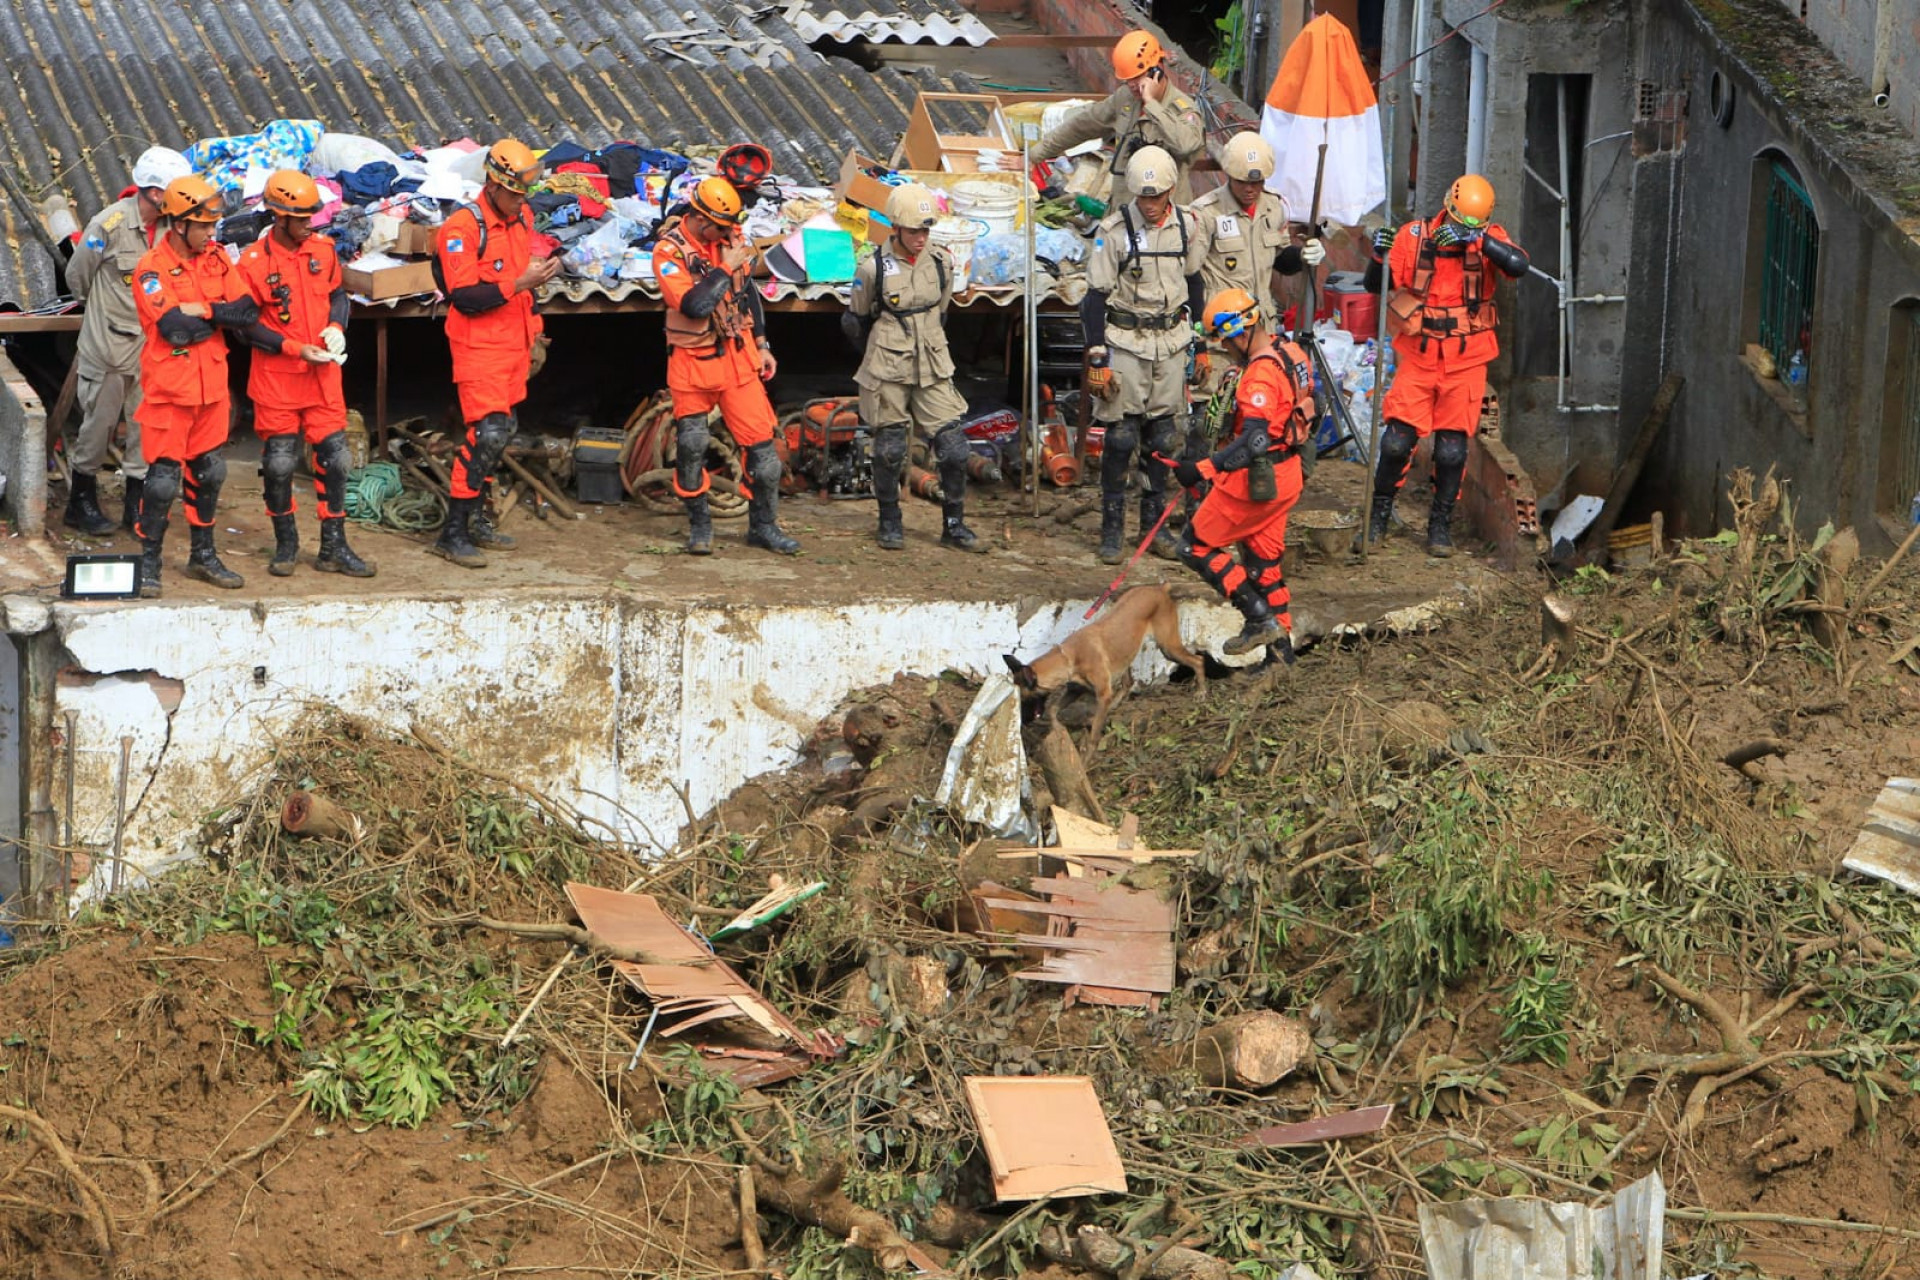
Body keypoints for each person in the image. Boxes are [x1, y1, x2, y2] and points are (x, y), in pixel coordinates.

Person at [1362, 174, 1529, 556]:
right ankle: (1379, 515)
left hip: (1466, 360)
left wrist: (1479, 240)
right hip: (1419, 356)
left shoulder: (1489, 239)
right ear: (1446, 211)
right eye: (1458, 224)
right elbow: (1377, 285)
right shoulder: (1415, 237)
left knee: (1452, 450)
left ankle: (1440, 525)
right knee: (1395, 443)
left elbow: (1519, 265)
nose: (1460, 231)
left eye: (1474, 225)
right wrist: (1377, 254)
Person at [235, 170, 373, 578]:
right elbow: (246, 329)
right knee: (279, 464)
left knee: (336, 459)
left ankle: (334, 546)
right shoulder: (254, 263)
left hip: (322, 380)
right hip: (277, 379)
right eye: (300, 219)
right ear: (278, 217)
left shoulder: (323, 251)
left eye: (311, 216)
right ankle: (286, 544)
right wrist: (295, 348)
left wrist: (335, 327)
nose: (308, 224)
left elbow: (337, 295)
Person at [129, 175, 262, 597]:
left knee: (210, 472)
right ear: (180, 224)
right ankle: (148, 561)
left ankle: (202, 555)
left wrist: (204, 309)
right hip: (171, 389)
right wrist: (215, 318)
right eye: (204, 225)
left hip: (212, 388)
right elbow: (173, 329)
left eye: (212, 225)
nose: (211, 232)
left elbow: (245, 312)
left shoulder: (218, 258)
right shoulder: (152, 268)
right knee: (163, 479)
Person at [429, 139, 558, 568]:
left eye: (525, 193)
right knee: (487, 433)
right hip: (478, 347)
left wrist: (536, 326)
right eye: (516, 192)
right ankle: (453, 532)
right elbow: (465, 296)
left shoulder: (522, 216)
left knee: (503, 431)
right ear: (494, 183)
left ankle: (479, 520)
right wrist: (521, 284)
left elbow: (524, 280)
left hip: (513, 343)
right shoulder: (462, 228)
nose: (522, 200)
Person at [653, 175, 797, 556]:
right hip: (692, 363)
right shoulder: (669, 252)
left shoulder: (731, 239)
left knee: (765, 457)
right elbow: (694, 306)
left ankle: (763, 527)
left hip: (738, 357)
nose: (729, 233)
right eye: (721, 227)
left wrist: (763, 343)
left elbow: (747, 291)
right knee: (691, 446)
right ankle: (700, 526)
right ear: (701, 220)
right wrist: (722, 268)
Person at [1169, 289, 1314, 661]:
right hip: (1287, 474)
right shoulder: (1292, 352)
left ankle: (1258, 618)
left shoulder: (1259, 377)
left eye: (1223, 340)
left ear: (1239, 331)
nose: (1225, 349)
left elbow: (1254, 439)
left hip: (1254, 483)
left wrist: (1202, 468)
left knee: (1193, 545)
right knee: (1263, 566)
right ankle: (1282, 657)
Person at [1082, 145, 1205, 564]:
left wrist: (1200, 342)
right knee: (1120, 437)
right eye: (1143, 197)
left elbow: (1196, 283)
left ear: (1171, 190)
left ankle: (1153, 528)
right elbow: (1094, 297)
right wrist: (1097, 357)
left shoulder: (1188, 227)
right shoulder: (1113, 230)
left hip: (1171, 341)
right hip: (1126, 340)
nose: (1150, 206)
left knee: (1164, 438)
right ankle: (1112, 529)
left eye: (1157, 197)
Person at [843, 184, 981, 554]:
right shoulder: (873, 268)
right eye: (914, 231)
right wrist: (879, 351)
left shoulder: (941, 262)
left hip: (932, 362)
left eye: (926, 230)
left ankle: (954, 524)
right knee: (889, 449)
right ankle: (889, 519)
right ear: (896, 228)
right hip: (888, 363)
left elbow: (944, 310)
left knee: (954, 448)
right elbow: (856, 321)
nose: (921, 238)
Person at [62, 146, 192, 535]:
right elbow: (77, 278)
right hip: (109, 348)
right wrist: (104, 312)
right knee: (97, 428)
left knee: (145, 427)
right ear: (153, 192)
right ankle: (80, 502)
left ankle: (136, 505)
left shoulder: (173, 230)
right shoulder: (110, 224)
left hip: (153, 350)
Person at [1032, 30, 1205, 207]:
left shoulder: (1182, 108)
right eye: (1127, 80)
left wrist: (1152, 104)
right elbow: (1083, 125)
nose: (1132, 85)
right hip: (1124, 209)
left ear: (1157, 70)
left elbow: (1186, 145)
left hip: (1163, 220)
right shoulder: (1125, 98)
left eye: (1137, 77)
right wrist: (1035, 155)